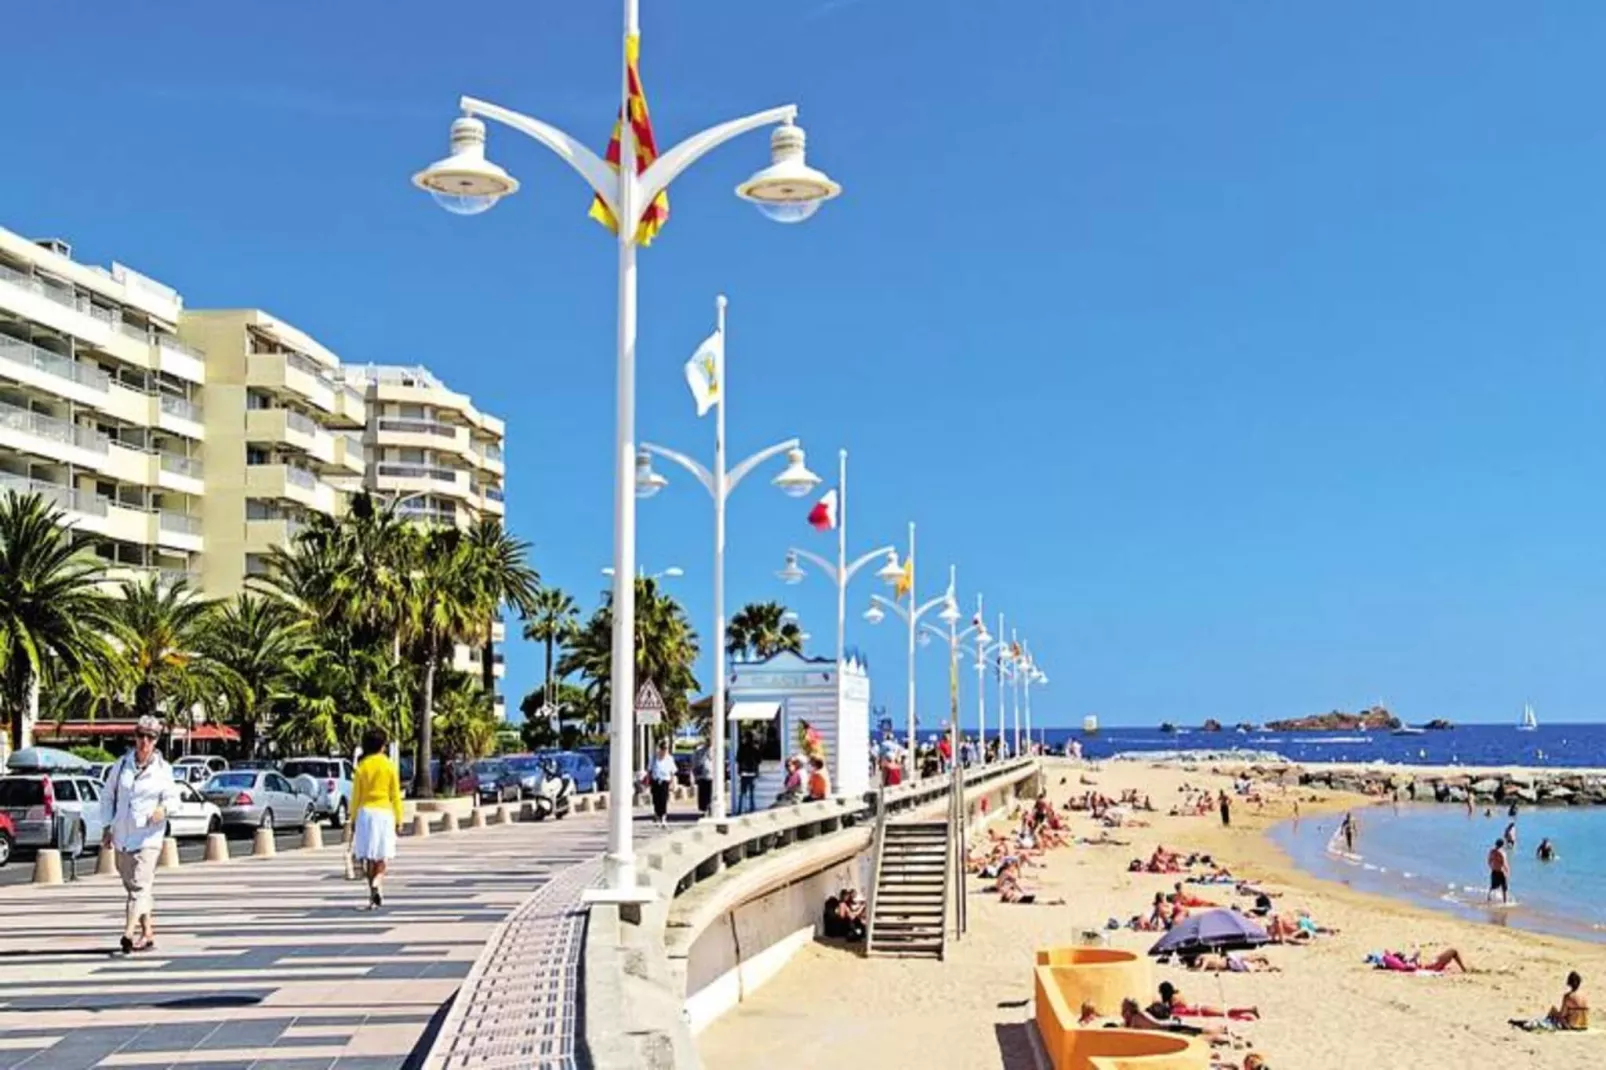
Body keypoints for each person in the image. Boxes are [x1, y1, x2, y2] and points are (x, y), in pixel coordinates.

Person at [100, 716, 181, 954]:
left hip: (149, 837)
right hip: (123, 836)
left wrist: (163, 809)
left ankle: (128, 932)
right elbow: (108, 796)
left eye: (150, 737)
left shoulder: (163, 770)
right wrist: (107, 826)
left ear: (156, 741)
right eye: (140, 736)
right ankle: (147, 933)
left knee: (139, 886)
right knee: (136, 886)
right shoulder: (121, 766)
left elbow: (174, 800)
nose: (144, 741)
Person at [350, 727, 403, 909]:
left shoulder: (362, 766)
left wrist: (353, 818)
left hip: (365, 814)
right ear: (382, 745)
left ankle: (373, 895)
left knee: (368, 857)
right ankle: (377, 881)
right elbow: (395, 795)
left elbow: (355, 796)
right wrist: (399, 819)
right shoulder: (389, 765)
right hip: (384, 814)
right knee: (382, 855)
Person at [1511, 971, 1588, 1032]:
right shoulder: (1585, 995)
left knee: (1552, 1012)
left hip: (1571, 1026)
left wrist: (1554, 1012)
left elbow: (1562, 1014)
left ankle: (1521, 1022)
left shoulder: (1568, 996)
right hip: (1584, 1025)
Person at [1151, 981, 1259, 1021]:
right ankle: (1248, 1013)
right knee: (1225, 1013)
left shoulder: (1174, 999)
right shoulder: (1177, 994)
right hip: (1199, 1008)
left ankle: (1249, 1011)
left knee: (1225, 1013)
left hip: (1200, 1011)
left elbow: (1165, 1008)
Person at [648, 740, 676, 827]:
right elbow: (649, 770)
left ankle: (663, 818)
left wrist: (672, 783)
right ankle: (657, 816)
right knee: (656, 800)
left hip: (665, 781)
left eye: (666, 748)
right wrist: (649, 781)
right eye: (663, 748)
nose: (665, 750)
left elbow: (672, 771)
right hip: (655, 781)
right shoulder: (654, 758)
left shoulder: (669, 758)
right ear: (660, 749)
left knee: (663, 800)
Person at [736, 733, 762, 815]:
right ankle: (752, 810)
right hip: (753, 773)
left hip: (744, 773)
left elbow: (738, 759)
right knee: (752, 793)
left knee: (742, 793)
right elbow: (759, 760)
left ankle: (740, 810)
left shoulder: (741, 748)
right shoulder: (755, 748)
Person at [692, 742, 714, 816]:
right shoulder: (699, 750)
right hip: (702, 775)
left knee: (708, 793)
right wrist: (695, 773)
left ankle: (708, 808)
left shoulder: (711, 750)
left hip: (709, 775)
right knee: (703, 794)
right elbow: (694, 762)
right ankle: (703, 810)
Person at [1488, 839, 1511, 904]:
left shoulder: (1492, 851)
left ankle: (1488, 898)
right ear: (1502, 845)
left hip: (1494, 870)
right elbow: (1504, 862)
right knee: (1504, 888)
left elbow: (1489, 860)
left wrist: (1492, 866)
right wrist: (1507, 871)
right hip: (1501, 871)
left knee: (1493, 886)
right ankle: (1505, 902)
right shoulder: (1502, 853)